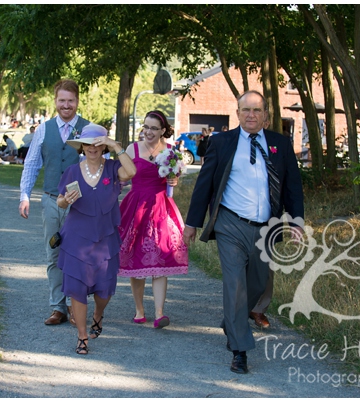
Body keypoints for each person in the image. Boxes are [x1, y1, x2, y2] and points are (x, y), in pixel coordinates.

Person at [183, 90, 304, 374]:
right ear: (237, 113)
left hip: (266, 226)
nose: (251, 115)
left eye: (257, 110)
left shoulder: (280, 144)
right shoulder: (222, 142)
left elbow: (292, 186)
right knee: (235, 283)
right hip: (230, 223)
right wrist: (192, 222)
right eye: (245, 110)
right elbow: (205, 184)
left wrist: (296, 220)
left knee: (258, 284)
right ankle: (239, 350)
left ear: (265, 115)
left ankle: (233, 320)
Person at [57, 124, 136, 354]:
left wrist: (114, 145)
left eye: (97, 144)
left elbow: (131, 172)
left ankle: (98, 314)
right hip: (76, 239)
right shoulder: (72, 171)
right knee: (77, 288)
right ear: (81, 146)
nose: (92, 148)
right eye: (88, 144)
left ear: (103, 146)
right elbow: (60, 201)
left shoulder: (113, 168)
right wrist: (66, 201)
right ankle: (82, 336)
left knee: (104, 290)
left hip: (105, 238)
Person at [18, 79, 92, 326]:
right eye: (62, 100)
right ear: (55, 101)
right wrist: (24, 196)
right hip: (50, 200)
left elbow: (100, 166)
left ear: (77, 101)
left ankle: (75, 306)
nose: (66, 105)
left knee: (78, 255)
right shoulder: (44, 129)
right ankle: (56, 307)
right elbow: (31, 164)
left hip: (79, 203)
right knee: (53, 253)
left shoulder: (87, 129)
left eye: (70, 100)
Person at [118, 110, 189, 329]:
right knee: (136, 258)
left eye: (153, 128)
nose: (148, 132)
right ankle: (139, 310)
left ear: (162, 131)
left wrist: (174, 180)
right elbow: (121, 177)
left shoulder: (170, 151)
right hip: (136, 207)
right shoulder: (132, 149)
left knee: (161, 259)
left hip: (161, 208)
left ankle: (159, 313)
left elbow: (173, 178)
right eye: (145, 127)